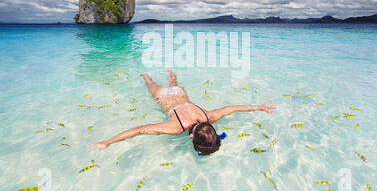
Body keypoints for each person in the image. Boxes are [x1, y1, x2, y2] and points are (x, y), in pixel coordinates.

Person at [88, 69, 276, 155]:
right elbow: (139, 130)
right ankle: (147, 76)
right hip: (164, 97)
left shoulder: (209, 116)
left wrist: (259, 106)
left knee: (173, 85)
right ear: (191, 136)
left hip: (179, 94)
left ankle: (169, 75)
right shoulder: (176, 127)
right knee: (150, 84)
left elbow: (231, 108)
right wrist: (107, 142)